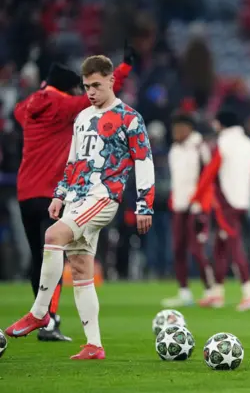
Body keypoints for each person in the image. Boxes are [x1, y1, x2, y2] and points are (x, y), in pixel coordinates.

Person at [6, 55, 155, 360]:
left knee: (52, 236)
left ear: (111, 80)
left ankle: (39, 312)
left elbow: (144, 161)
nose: (90, 92)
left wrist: (145, 205)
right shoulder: (83, 117)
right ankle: (94, 345)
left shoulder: (129, 117)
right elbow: (73, 162)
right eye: (86, 86)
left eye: (97, 85)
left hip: (103, 197)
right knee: (81, 270)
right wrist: (60, 194)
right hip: (76, 197)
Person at [190, 110, 250, 311]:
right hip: (243, 201)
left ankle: (249, 292)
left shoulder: (223, 143)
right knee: (221, 245)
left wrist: (196, 197)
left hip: (226, 202)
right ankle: (217, 292)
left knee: (234, 245)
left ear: (221, 124)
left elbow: (210, 172)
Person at [162, 113, 216, 307]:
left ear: (189, 129)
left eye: (179, 129)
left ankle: (211, 291)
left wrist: (201, 204)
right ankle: (184, 292)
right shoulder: (174, 150)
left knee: (197, 249)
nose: (175, 133)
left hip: (197, 207)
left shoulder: (200, 147)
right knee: (178, 249)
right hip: (179, 206)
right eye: (174, 129)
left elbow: (207, 177)